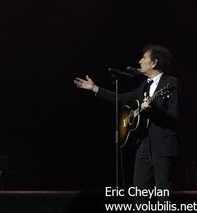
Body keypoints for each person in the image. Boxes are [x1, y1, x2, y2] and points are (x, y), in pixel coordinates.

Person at [74, 44, 180, 208]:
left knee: (163, 194)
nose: (140, 61)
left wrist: (153, 111)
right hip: (143, 145)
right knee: (139, 193)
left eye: (144, 58)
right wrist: (94, 88)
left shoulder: (171, 84)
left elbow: (174, 118)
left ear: (154, 63)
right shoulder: (144, 85)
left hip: (163, 145)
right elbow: (122, 98)